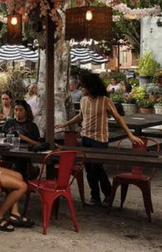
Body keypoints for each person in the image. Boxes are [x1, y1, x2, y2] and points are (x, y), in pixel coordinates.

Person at [56, 72, 144, 206]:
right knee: (89, 168)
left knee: (97, 167)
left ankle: (108, 193)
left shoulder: (104, 100)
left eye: (84, 86)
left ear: (91, 87)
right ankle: (95, 196)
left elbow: (118, 118)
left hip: (100, 139)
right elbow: (80, 116)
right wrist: (65, 124)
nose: (81, 89)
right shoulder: (84, 100)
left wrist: (130, 134)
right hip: (86, 137)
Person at [3, 100, 42, 180]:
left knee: (21, 162)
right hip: (8, 153)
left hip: (24, 156)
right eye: (16, 110)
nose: (18, 112)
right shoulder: (9, 123)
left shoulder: (32, 126)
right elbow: (1, 138)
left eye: (21, 110)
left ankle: (25, 176)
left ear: (26, 111)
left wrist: (22, 137)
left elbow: (38, 143)